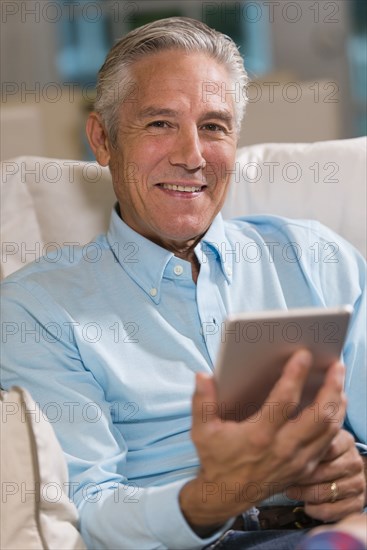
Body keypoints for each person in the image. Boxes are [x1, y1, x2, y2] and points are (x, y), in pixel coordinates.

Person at [1, 17, 366, 550]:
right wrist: (223, 491)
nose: (192, 156)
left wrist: (353, 475)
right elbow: (89, 509)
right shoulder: (37, 308)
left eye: (214, 126)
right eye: (159, 124)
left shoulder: (318, 258)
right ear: (103, 140)